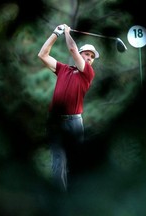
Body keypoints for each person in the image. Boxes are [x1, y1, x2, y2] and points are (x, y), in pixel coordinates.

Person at [38, 24, 99, 191]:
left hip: (74, 122)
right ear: (81, 54)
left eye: (92, 57)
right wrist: (55, 34)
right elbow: (42, 54)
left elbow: (72, 48)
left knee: (75, 162)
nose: (89, 58)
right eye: (86, 54)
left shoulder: (88, 73)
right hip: (55, 121)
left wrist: (66, 32)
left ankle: (77, 199)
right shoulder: (63, 69)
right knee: (58, 162)